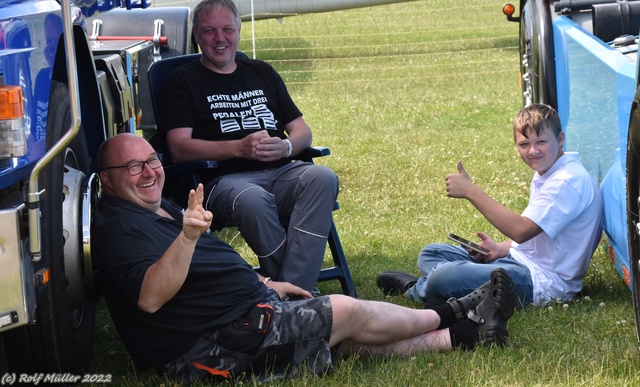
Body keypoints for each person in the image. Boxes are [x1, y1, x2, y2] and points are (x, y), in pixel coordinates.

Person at [93, 133, 517, 383]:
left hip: (241, 315)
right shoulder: (119, 231)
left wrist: (262, 283)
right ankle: (457, 312)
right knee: (343, 312)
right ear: (108, 182)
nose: (149, 172)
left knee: (340, 340)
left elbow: (201, 276)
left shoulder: (153, 208)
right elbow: (150, 297)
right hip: (207, 350)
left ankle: (466, 337)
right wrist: (188, 236)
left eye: (151, 160)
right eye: (133, 168)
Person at [157, 0, 337, 293]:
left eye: (227, 29)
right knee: (253, 199)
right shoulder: (182, 81)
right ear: (197, 36)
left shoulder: (261, 72)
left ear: (239, 31)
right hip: (224, 181)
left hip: (281, 173)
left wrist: (288, 148)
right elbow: (178, 147)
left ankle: (288, 293)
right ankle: (300, 293)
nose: (220, 38)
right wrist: (238, 148)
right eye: (209, 31)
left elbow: (302, 130)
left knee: (323, 177)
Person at [377, 104, 603, 308]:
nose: (533, 151)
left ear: (560, 138)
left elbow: (522, 230)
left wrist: (471, 191)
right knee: (432, 253)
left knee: (442, 277)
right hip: (520, 260)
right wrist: (501, 249)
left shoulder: (567, 181)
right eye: (524, 144)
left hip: (542, 282)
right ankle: (447, 293)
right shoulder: (548, 171)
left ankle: (419, 290)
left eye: (541, 142)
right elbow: (540, 237)